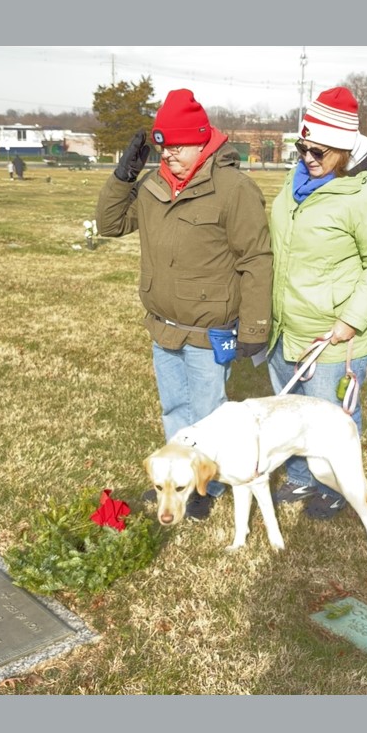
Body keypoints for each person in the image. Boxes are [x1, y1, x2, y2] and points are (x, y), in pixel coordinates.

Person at [96, 88, 273, 520]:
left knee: (208, 415)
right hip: (163, 325)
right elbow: (109, 224)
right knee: (175, 410)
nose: (169, 155)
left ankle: (205, 487)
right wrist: (124, 176)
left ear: (202, 141)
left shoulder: (233, 189)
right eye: (164, 146)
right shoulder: (153, 185)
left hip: (207, 330)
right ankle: (178, 478)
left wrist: (254, 327)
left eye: (178, 146)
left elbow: (256, 259)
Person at [267, 86, 367, 520]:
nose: (307, 157)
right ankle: (303, 476)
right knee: (292, 413)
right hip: (286, 327)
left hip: (333, 334)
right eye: (302, 148)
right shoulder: (295, 182)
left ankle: (338, 486)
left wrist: (350, 320)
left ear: (343, 149)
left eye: (318, 152)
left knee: (331, 418)